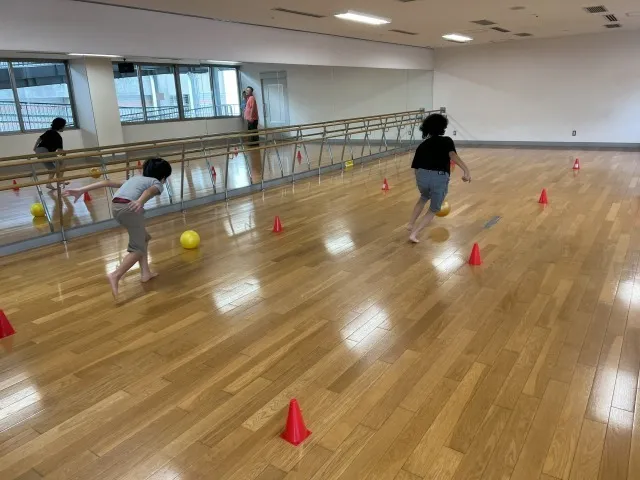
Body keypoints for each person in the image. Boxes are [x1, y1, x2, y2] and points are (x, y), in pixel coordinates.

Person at [64, 158, 172, 298]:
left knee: (144, 238)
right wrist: (140, 201)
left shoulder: (136, 179)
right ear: (163, 177)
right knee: (137, 249)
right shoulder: (156, 183)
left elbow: (107, 182)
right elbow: (151, 191)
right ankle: (116, 275)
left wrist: (81, 190)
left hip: (116, 207)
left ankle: (145, 273)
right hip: (129, 208)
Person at [407, 113, 471, 243]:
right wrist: (466, 170)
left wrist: (421, 181)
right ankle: (414, 233)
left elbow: (415, 167)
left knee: (424, 197)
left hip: (421, 176)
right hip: (438, 178)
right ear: (443, 127)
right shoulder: (446, 141)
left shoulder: (422, 145)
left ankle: (410, 223)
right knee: (434, 208)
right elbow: (453, 155)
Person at [34, 117, 67, 190]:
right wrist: (64, 153)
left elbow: (40, 138)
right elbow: (60, 151)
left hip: (39, 151)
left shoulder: (48, 131)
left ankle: (48, 184)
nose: (65, 127)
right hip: (45, 151)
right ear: (60, 126)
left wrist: (34, 148)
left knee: (52, 168)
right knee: (62, 162)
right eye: (64, 126)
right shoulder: (58, 137)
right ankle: (61, 180)